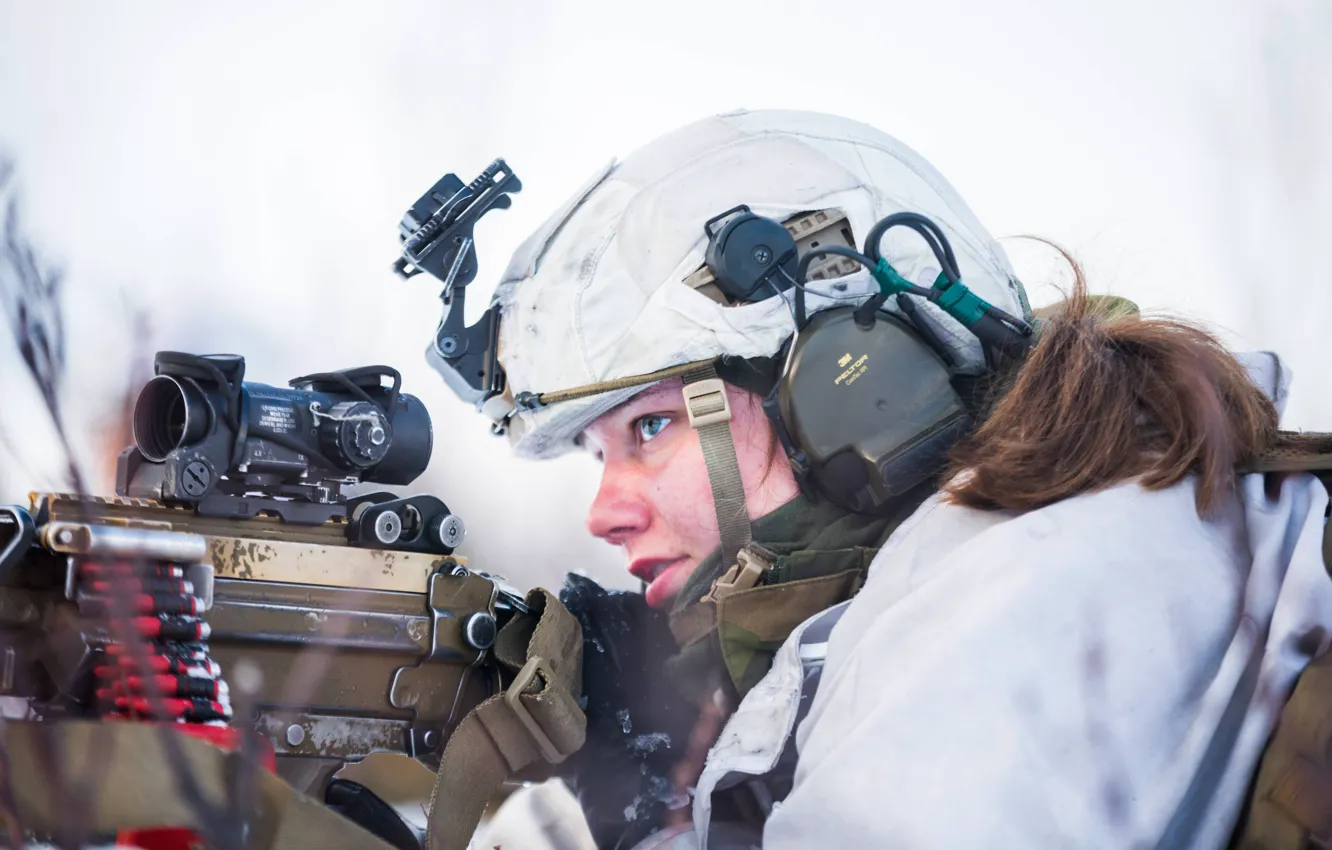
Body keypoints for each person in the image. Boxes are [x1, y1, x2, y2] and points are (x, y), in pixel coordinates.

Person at [432, 109, 1332, 850]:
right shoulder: (885, 612)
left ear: (850, 389)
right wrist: (639, 763)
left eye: (650, 428)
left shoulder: (1052, 572)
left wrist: (635, 821)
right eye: (599, 456)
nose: (605, 512)